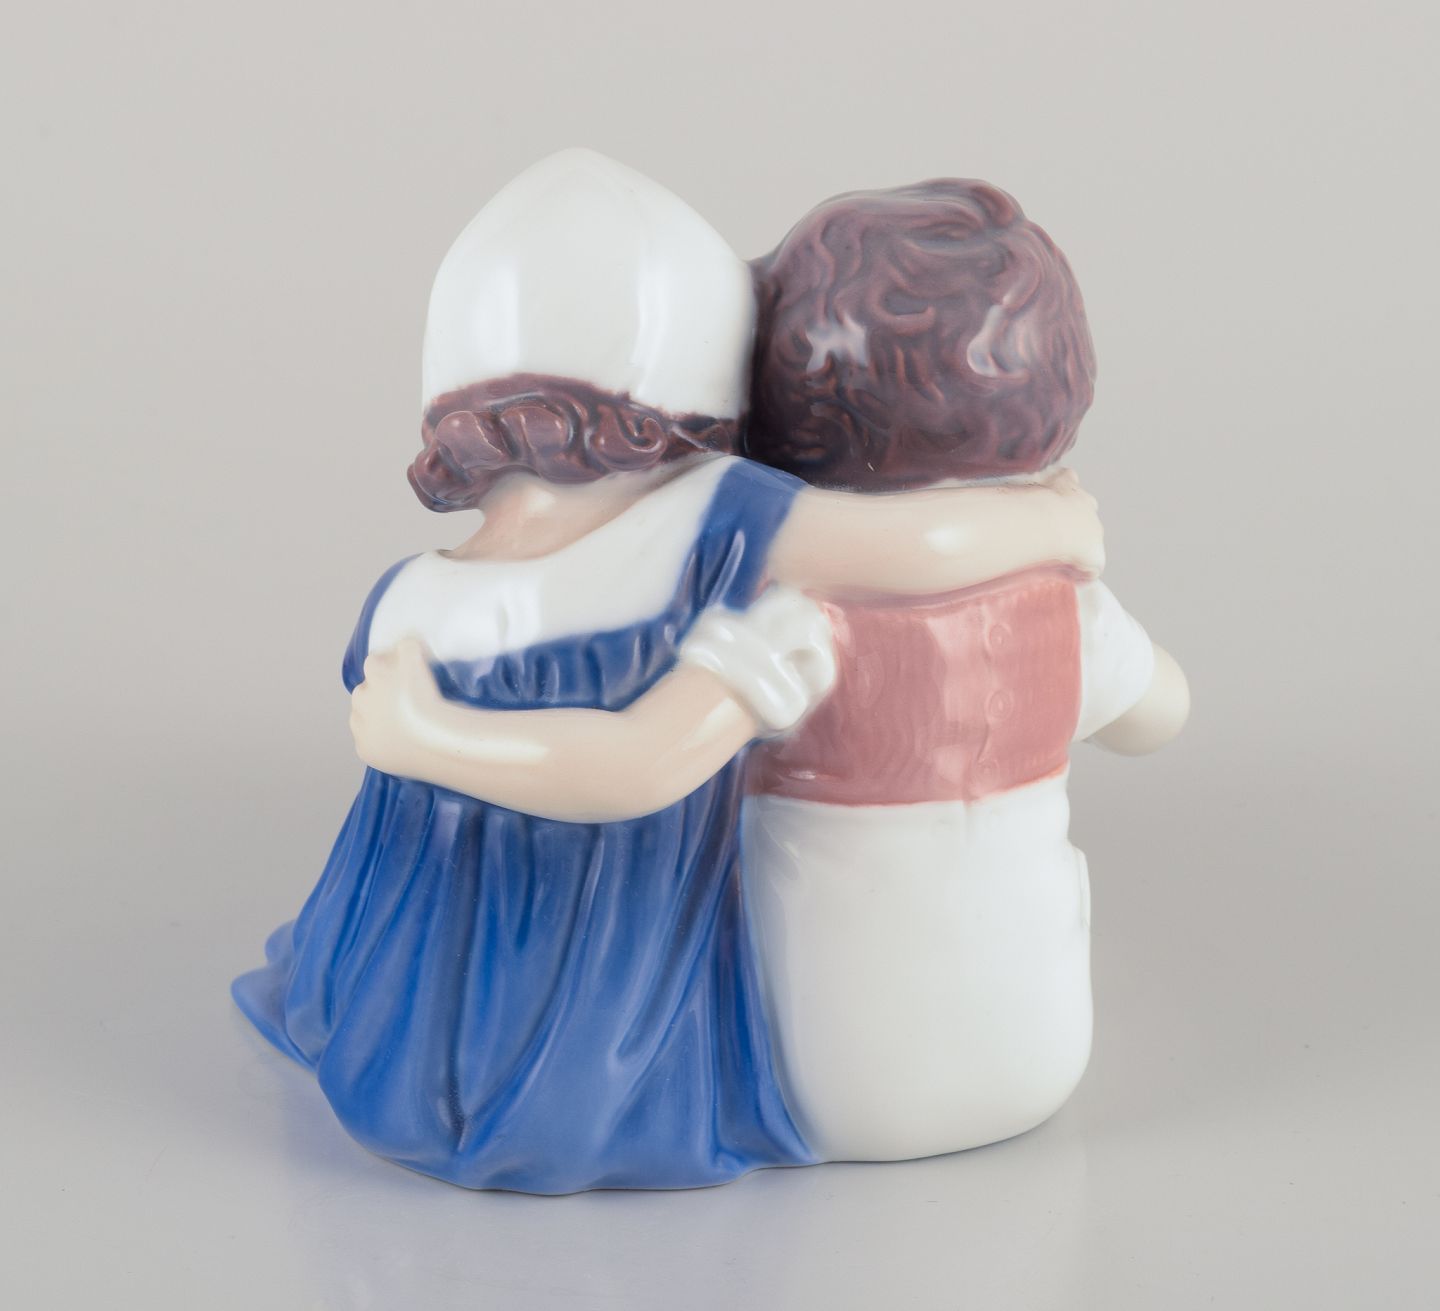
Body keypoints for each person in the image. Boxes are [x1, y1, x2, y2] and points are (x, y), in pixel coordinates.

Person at [240, 151, 1101, 1194]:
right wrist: (1055, 521)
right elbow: (917, 550)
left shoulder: (405, 599)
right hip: (589, 1014)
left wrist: (416, 736)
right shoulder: (716, 518)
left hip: (402, 995)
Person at [739, 179, 1190, 1161]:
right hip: (1035, 1057)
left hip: (824, 1077)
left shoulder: (784, 618)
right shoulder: (1065, 608)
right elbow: (1162, 712)